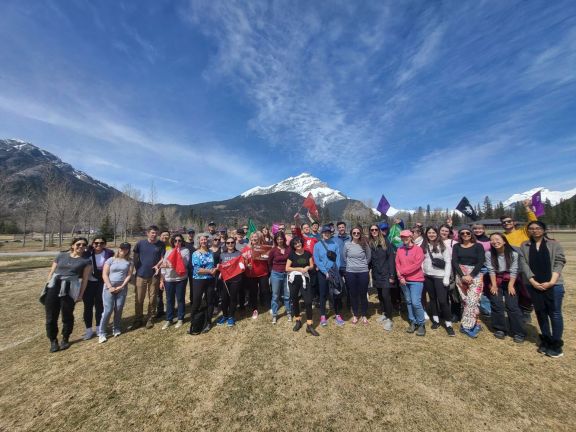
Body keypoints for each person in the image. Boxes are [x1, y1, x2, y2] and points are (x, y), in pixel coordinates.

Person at [519, 221, 566, 358]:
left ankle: (556, 344)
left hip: (554, 285)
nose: (535, 231)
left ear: (544, 230)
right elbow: (523, 264)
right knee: (540, 312)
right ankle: (546, 339)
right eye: (531, 229)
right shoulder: (525, 245)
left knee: (555, 313)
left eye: (538, 228)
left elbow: (559, 261)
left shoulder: (553, 244)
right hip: (533, 284)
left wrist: (552, 281)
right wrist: (532, 281)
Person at [44, 237, 92, 352]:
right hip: (54, 286)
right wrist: (47, 285)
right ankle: (53, 340)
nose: (81, 247)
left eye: (84, 245)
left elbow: (85, 279)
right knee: (51, 316)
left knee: (67, 314)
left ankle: (65, 338)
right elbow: (52, 271)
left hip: (70, 288)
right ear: (72, 245)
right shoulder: (61, 255)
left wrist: (80, 294)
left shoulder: (86, 261)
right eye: (78, 244)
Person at [485, 233, 525, 343]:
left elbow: (514, 270)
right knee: (496, 304)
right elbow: (491, 269)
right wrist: (494, 285)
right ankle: (500, 329)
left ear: (504, 241)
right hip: (496, 279)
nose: (494, 242)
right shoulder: (489, 254)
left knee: (512, 306)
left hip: (510, 280)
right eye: (492, 240)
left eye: (497, 239)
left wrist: (511, 285)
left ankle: (518, 331)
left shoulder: (513, 254)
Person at [452, 226, 485, 338]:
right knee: (466, 301)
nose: (465, 235)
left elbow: (481, 262)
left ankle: (466, 326)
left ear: (471, 234)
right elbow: (455, 261)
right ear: (460, 235)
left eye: (468, 233)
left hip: (475, 275)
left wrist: (471, 275)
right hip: (461, 275)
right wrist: (462, 275)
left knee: (472, 301)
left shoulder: (478, 246)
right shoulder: (456, 246)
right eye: (462, 233)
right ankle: (475, 322)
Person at [422, 227, 454, 336]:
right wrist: (423, 271)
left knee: (443, 301)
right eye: (429, 232)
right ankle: (436, 320)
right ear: (426, 234)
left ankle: (448, 324)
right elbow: (423, 260)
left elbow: (448, 262)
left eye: (433, 233)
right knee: (432, 299)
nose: (431, 234)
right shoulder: (425, 245)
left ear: (437, 234)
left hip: (440, 277)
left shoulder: (442, 246)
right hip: (428, 276)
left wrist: (446, 277)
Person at [98, 242, 134, 343]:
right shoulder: (111, 260)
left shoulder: (129, 261)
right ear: (119, 249)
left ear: (128, 250)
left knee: (118, 308)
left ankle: (116, 328)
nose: (123, 250)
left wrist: (122, 286)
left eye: (126, 249)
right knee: (108, 310)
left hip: (122, 287)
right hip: (109, 287)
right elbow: (104, 274)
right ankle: (102, 332)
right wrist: (110, 287)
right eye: (122, 248)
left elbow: (129, 275)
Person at [133, 225, 166, 329]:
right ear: (147, 233)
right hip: (141, 275)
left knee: (152, 299)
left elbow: (162, 257)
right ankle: (138, 319)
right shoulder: (140, 244)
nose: (154, 234)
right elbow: (135, 256)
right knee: (139, 299)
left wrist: (157, 265)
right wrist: (137, 269)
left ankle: (149, 318)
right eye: (152, 232)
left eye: (156, 233)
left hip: (154, 276)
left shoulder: (161, 245)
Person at [395, 230, 426, 336]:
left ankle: (421, 324)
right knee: (408, 301)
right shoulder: (400, 249)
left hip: (416, 280)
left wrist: (402, 272)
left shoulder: (418, 250)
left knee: (415, 302)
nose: (404, 239)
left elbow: (417, 265)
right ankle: (413, 321)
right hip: (403, 280)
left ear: (411, 237)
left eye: (406, 237)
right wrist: (400, 277)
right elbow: (397, 263)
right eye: (402, 237)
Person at [82, 237, 114, 340]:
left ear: (105, 244)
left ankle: (99, 328)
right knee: (88, 306)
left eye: (101, 243)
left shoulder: (109, 253)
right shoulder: (87, 253)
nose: (98, 245)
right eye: (96, 243)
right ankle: (88, 330)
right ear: (93, 244)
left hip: (101, 282)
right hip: (89, 283)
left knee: (100, 305)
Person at [313, 225, 344, 326]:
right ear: (321, 233)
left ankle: (338, 314)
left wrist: (335, 270)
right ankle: (323, 316)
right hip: (322, 274)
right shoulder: (317, 245)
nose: (326, 234)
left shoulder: (335, 244)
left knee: (335, 294)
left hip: (334, 272)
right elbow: (317, 260)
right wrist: (325, 272)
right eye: (325, 232)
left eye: (328, 232)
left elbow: (338, 259)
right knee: (323, 295)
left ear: (330, 233)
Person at [286, 237, 318, 336]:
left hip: (305, 279)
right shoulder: (291, 254)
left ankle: (309, 325)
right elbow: (287, 268)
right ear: (293, 246)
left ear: (301, 243)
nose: (298, 244)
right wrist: (300, 268)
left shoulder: (307, 253)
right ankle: (298, 320)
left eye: (299, 242)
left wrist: (308, 267)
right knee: (294, 300)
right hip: (294, 280)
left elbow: (312, 265)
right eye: (295, 244)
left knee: (308, 301)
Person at [368, 224, 396, 331]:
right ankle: (384, 313)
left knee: (386, 296)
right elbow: (370, 260)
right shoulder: (371, 243)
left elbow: (391, 259)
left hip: (386, 274)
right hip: (376, 274)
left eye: (376, 229)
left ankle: (390, 319)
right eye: (372, 230)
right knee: (380, 295)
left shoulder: (386, 242)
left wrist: (392, 275)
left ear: (379, 231)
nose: (374, 231)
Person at [159, 234, 190, 330]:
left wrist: (169, 264)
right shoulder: (168, 251)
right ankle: (169, 319)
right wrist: (162, 279)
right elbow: (164, 265)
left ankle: (180, 318)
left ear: (182, 241)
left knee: (180, 299)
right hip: (169, 279)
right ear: (172, 241)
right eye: (175, 241)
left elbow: (184, 264)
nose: (177, 242)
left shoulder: (185, 251)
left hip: (180, 279)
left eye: (179, 240)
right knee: (169, 300)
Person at [343, 226, 371, 325]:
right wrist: (352, 266)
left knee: (363, 294)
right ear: (351, 234)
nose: (356, 234)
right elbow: (344, 257)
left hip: (363, 272)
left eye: (358, 233)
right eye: (354, 233)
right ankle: (355, 314)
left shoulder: (364, 244)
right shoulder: (347, 245)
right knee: (353, 294)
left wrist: (362, 265)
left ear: (360, 234)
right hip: (350, 272)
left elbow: (368, 257)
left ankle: (364, 315)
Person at [189, 234, 217, 333]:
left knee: (210, 301)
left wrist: (215, 269)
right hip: (198, 280)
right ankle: (194, 323)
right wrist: (210, 271)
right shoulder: (195, 254)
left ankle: (208, 322)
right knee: (196, 301)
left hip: (210, 280)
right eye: (202, 240)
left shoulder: (211, 253)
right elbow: (197, 270)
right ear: (199, 241)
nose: (204, 241)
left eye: (205, 239)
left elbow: (213, 265)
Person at [215, 237, 244, 327]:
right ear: (226, 244)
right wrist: (219, 270)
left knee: (233, 298)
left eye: (232, 242)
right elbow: (220, 266)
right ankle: (225, 315)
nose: (230, 244)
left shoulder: (239, 253)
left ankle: (231, 316)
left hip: (235, 279)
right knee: (224, 298)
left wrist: (243, 266)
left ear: (234, 243)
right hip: (225, 280)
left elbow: (241, 265)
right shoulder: (222, 254)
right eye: (228, 243)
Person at [242, 231, 270, 320]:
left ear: (258, 238)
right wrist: (247, 265)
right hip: (251, 274)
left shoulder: (263, 247)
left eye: (256, 237)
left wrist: (266, 255)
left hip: (263, 272)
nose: (254, 238)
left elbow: (267, 258)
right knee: (253, 293)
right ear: (250, 238)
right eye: (252, 237)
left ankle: (266, 304)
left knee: (265, 290)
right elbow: (243, 261)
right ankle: (255, 309)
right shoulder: (246, 248)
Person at [268, 231, 292, 324]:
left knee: (287, 294)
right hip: (276, 274)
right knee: (275, 295)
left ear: (284, 239)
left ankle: (289, 311)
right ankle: (274, 314)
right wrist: (273, 271)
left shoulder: (289, 249)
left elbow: (291, 260)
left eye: (281, 238)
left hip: (287, 274)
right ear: (275, 240)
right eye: (277, 239)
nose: (279, 240)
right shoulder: (273, 250)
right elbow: (269, 262)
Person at [472, 223, 492, 318]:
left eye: (480, 229)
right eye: (475, 229)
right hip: (472, 266)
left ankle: (486, 309)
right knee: (472, 287)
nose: (478, 230)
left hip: (485, 266)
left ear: (484, 229)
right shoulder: (470, 239)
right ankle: (472, 307)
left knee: (485, 289)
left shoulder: (489, 240)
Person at [156, 230, 171, 318]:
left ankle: (170, 308)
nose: (165, 237)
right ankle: (160, 310)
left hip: (169, 272)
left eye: (167, 235)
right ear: (160, 236)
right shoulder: (157, 245)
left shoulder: (171, 246)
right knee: (159, 292)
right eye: (163, 235)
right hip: (158, 271)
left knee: (169, 292)